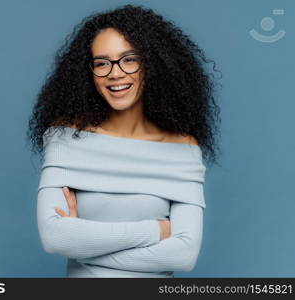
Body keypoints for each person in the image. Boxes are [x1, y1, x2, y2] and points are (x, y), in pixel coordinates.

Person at [27, 4, 221, 277]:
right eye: (101, 63)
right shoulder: (65, 139)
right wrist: (156, 230)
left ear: (152, 63)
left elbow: (183, 255)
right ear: (88, 73)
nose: (115, 73)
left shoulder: (183, 149)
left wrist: (84, 248)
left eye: (129, 59)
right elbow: (55, 238)